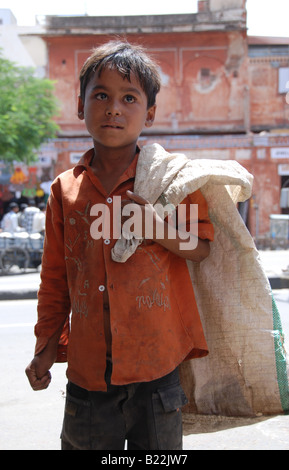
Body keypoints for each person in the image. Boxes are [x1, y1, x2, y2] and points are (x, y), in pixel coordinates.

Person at [25, 40, 214, 450]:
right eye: (101, 95)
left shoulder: (170, 181)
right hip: (89, 378)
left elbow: (201, 247)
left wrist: (156, 227)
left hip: (157, 371)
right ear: (80, 106)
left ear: (149, 114)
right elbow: (56, 278)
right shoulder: (65, 191)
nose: (114, 108)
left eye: (129, 98)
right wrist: (45, 348)